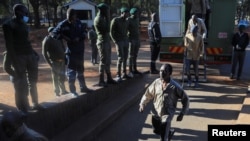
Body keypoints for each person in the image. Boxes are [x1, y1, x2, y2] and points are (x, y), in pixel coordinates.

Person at [2, 4, 43, 113]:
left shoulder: (24, 24)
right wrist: (14, 62)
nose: (26, 14)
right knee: (21, 83)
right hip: (19, 56)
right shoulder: (9, 25)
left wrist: (34, 53)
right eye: (25, 12)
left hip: (29, 55)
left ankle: (35, 103)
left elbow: (26, 40)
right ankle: (23, 107)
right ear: (18, 12)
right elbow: (9, 45)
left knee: (33, 82)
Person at [139, 63, 189, 141]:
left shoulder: (175, 87)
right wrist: (142, 104)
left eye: (165, 71)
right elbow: (148, 94)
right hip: (156, 112)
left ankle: (166, 134)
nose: (162, 73)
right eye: (161, 71)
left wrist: (182, 113)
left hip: (167, 114)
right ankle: (169, 132)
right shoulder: (156, 82)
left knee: (163, 138)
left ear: (170, 73)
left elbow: (185, 99)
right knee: (156, 130)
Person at [52, 8, 92, 96]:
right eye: (68, 16)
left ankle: (83, 87)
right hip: (71, 52)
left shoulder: (78, 22)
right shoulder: (63, 24)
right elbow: (54, 34)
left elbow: (84, 32)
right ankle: (73, 91)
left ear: (75, 16)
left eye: (72, 16)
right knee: (71, 72)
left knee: (80, 70)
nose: (70, 18)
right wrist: (64, 37)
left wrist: (79, 38)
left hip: (80, 50)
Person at [94, 3, 117, 87]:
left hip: (106, 41)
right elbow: (107, 29)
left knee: (108, 60)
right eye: (106, 10)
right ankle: (101, 80)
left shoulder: (102, 18)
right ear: (102, 10)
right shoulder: (99, 19)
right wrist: (108, 17)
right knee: (103, 61)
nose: (108, 12)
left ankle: (109, 78)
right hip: (102, 42)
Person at [42, 27, 68, 97]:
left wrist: (65, 58)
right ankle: (57, 92)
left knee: (62, 77)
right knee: (55, 78)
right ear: (49, 32)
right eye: (53, 31)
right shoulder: (47, 40)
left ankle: (63, 90)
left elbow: (63, 48)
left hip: (62, 61)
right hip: (54, 62)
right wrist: (50, 63)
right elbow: (44, 53)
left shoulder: (58, 38)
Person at [110, 7, 131, 82]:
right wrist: (115, 41)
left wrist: (127, 38)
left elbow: (128, 30)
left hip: (125, 41)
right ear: (122, 13)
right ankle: (118, 74)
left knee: (125, 58)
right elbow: (111, 32)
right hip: (119, 41)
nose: (128, 14)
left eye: (128, 13)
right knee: (120, 58)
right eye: (126, 13)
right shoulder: (115, 20)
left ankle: (124, 73)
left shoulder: (127, 21)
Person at [127, 7, 142, 77]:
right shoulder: (128, 20)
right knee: (130, 56)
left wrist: (139, 40)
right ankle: (130, 70)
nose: (138, 14)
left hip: (136, 39)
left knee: (135, 55)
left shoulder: (137, 20)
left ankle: (134, 69)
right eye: (136, 13)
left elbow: (137, 30)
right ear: (133, 14)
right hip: (131, 39)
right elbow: (125, 29)